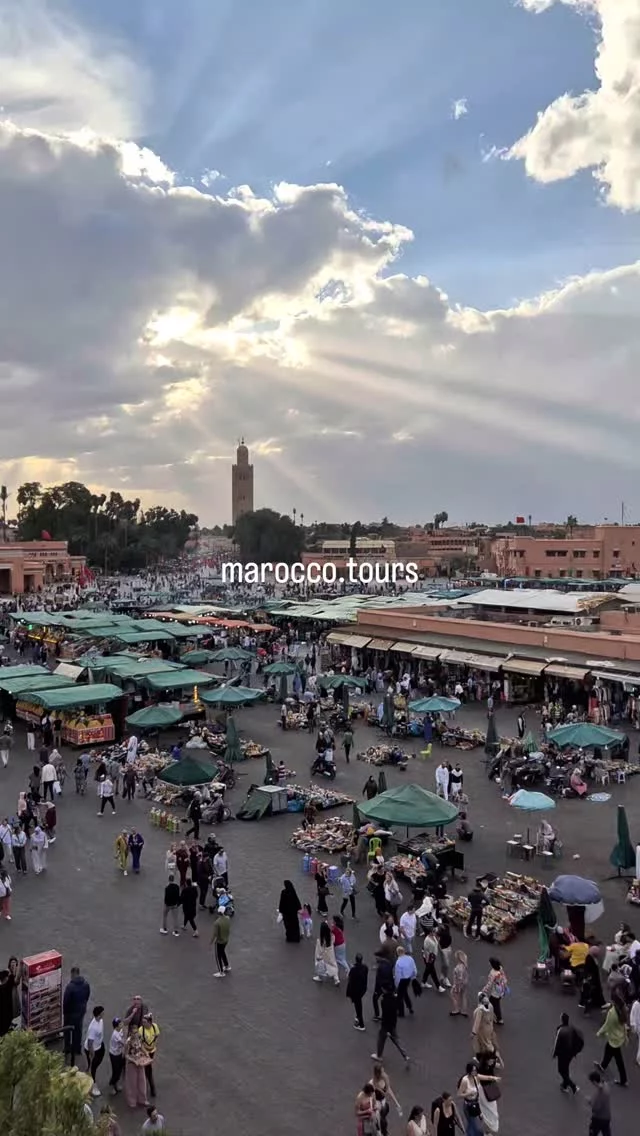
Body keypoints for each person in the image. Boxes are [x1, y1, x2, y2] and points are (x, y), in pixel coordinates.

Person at [457, 1061, 499, 1136]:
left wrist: (494, 1078)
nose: (475, 1072)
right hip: (469, 1105)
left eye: (476, 1070)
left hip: (476, 1103)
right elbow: (459, 1094)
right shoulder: (465, 1080)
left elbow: (486, 1077)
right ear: (469, 1071)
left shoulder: (476, 1077)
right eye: (473, 1070)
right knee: (473, 1123)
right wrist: (468, 1093)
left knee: (475, 1123)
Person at [371, 986, 409, 1063]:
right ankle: (405, 1055)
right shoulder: (394, 998)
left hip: (386, 1026)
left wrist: (386, 1028)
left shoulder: (384, 1001)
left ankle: (379, 1056)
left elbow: (385, 1015)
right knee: (396, 1040)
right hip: (393, 1024)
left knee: (381, 1039)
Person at [596, 998, 628, 1085]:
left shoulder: (612, 1013)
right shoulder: (623, 1011)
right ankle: (603, 1065)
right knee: (609, 1051)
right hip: (619, 1038)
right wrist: (625, 1037)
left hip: (613, 1039)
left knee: (618, 1060)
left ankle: (623, 1079)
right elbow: (624, 1026)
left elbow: (607, 1025)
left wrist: (599, 1033)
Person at [64, 967, 91, 1066]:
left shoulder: (70, 987)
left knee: (67, 1030)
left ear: (72, 974)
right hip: (80, 1012)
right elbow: (87, 996)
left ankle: (67, 1048)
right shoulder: (86, 984)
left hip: (70, 1013)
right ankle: (77, 1049)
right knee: (78, 1030)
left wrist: (65, 1012)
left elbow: (66, 1001)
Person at [552, 1012, 583, 1094]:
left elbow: (557, 1043)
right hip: (571, 1053)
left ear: (562, 1020)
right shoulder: (572, 1028)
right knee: (565, 1068)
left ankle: (573, 1086)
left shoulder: (560, 1030)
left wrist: (554, 1053)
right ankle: (564, 1085)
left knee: (560, 1070)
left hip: (562, 1054)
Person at [372, 1062, 402, 1135]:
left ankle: (382, 1130)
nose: (383, 1073)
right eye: (382, 1071)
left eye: (383, 1071)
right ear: (378, 1073)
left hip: (383, 1100)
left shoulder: (385, 1077)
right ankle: (380, 1131)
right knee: (378, 1116)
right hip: (377, 1100)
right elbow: (373, 1095)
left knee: (383, 1116)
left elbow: (388, 1089)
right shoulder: (374, 1081)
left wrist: (397, 1103)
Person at [123, 1029, 150, 1109]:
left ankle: (142, 1099)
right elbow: (126, 1055)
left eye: (136, 1032)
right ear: (130, 1033)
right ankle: (132, 1100)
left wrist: (146, 1053)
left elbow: (141, 1047)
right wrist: (133, 1060)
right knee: (132, 1082)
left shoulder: (139, 1038)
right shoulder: (128, 1042)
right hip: (132, 1064)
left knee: (142, 1081)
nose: (135, 1034)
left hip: (140, 1061)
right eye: (134, 1032)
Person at [84, 1006, 105, 1097]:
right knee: (93, 1067)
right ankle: (93, 1085)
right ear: (99, 1014)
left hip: (99, 1046)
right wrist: (91, 1054)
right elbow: (90, 1043)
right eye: (102, 1012)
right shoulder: (93, 1027)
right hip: (92, 1049)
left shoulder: (100, 1020)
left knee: (96, 1063)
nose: (104, 1013)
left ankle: (88, 1070)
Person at [139, 1012, 160, 1099]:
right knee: (148, 1069)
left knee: (147, 1068)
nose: (143, 1023)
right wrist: (144, 1052)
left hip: (152, 1051)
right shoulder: (141, 1030)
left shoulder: (155, 1027)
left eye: (145, 1022)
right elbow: (139, 1043)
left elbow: (157, 1035)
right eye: (143, 1022)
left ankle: (147, 1084)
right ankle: (152, 1088)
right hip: (144, 1052)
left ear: (150, 1022)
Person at [313, 919, 339, 985]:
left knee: (321, 966)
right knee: (333, 964)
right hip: (330, 954)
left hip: (324, 956)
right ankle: (336, 979)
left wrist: (318, 957)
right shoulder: (331, 937)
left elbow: (319, 951)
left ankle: (320, 977)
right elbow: (334, 941)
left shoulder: (320, 941)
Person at [346, 953, 368, 1031]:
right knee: (358, 1004)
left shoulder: (354, 970)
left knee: (358, 1006)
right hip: (362, 989)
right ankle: (358, 1017)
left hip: (355, 991)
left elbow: (351, 980)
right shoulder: (365, 967)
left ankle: (361, 1024)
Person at [482, 957, 507, 1025]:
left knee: (493, 1004)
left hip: (495, 991)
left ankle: (497, 1018)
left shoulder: (493, 973)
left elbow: (490, 983)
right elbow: (504, 978)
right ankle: (496, 1017)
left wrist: (484, 990)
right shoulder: (500, 968)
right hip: (501, 989)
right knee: (495, 1003)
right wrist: (505, 987)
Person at [394, 946, 417, 1018]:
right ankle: (410, 1007)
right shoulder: (410, 958)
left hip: (402, 980)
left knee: (399, 996)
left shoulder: (398, 962)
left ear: (397, 953)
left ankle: (401, 1012)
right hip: (408, 979)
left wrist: (396, 985)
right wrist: (413, 977)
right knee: (405, 993)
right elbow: (414, 969)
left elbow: (398, 975)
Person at [587, 1070, 611, 1136]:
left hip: (599, 1118)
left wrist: (590, 1102)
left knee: (592, 1132)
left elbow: (596, 1108)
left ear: (594, 1081)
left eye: (592, 1082)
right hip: (607, 1117)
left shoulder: (600, 1093)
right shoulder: (606, 1086)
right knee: (606, 1133)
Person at [211, 905, 231, 977]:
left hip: (220, 941)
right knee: (223, 952)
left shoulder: (217, 923)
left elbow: (215, 934)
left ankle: (221, 972)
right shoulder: (228, 918)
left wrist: (211, 942)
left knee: (218, 956)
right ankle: (227, 965)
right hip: (226, 939)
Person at [108, 1017, 126, 1095]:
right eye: (120, 1024)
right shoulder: (115, 1035)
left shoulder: (120, 1030)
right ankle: (112, 1085)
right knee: (116, 1070)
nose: (121, 1024)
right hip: (114, 1054)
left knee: (119, 1070)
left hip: (119, 1053)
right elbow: (123, 1043)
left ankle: (116, 1083)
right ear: (116, 1026)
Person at [449, 950, 469, 1017]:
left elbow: (459, 978)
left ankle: (456, 1009)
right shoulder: (464, 965)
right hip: (465, 983)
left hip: (459, 984)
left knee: (453, 995)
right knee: (463, 996)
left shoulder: (458, 968)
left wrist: (455, 986)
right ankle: (464, 1010)